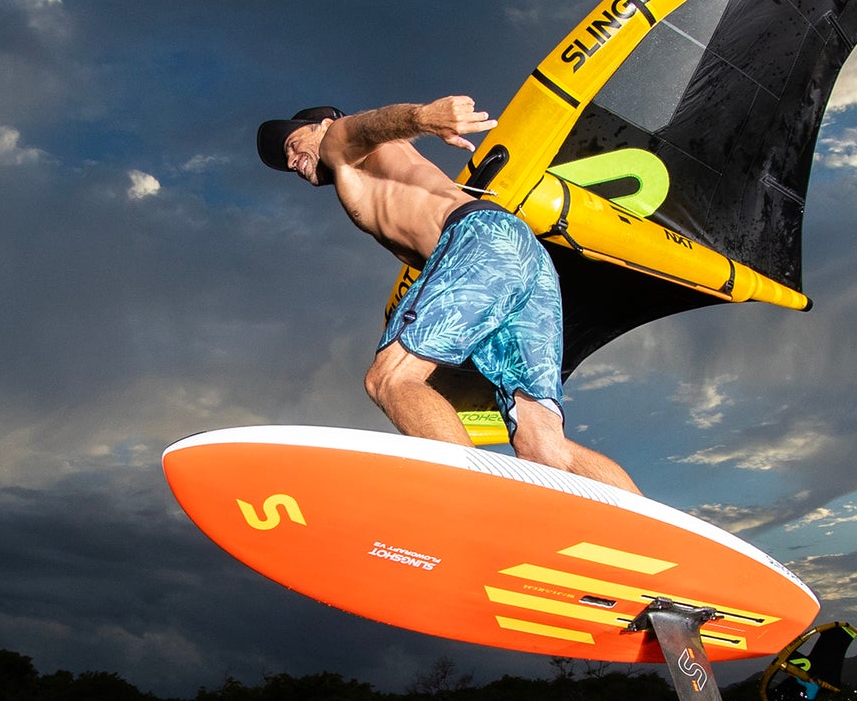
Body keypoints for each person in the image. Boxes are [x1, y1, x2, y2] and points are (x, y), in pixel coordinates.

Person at [255, 97, 638, 494]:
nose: (292, 161)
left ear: (322, 125)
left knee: (390, 378)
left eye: (292, 145)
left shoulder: (338, 142)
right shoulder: (382, 165)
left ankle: (471, 500)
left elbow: (366, 126)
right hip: (522, 254)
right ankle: (648, 522)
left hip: (479, 239)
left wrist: (424, 117)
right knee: (543, 446)